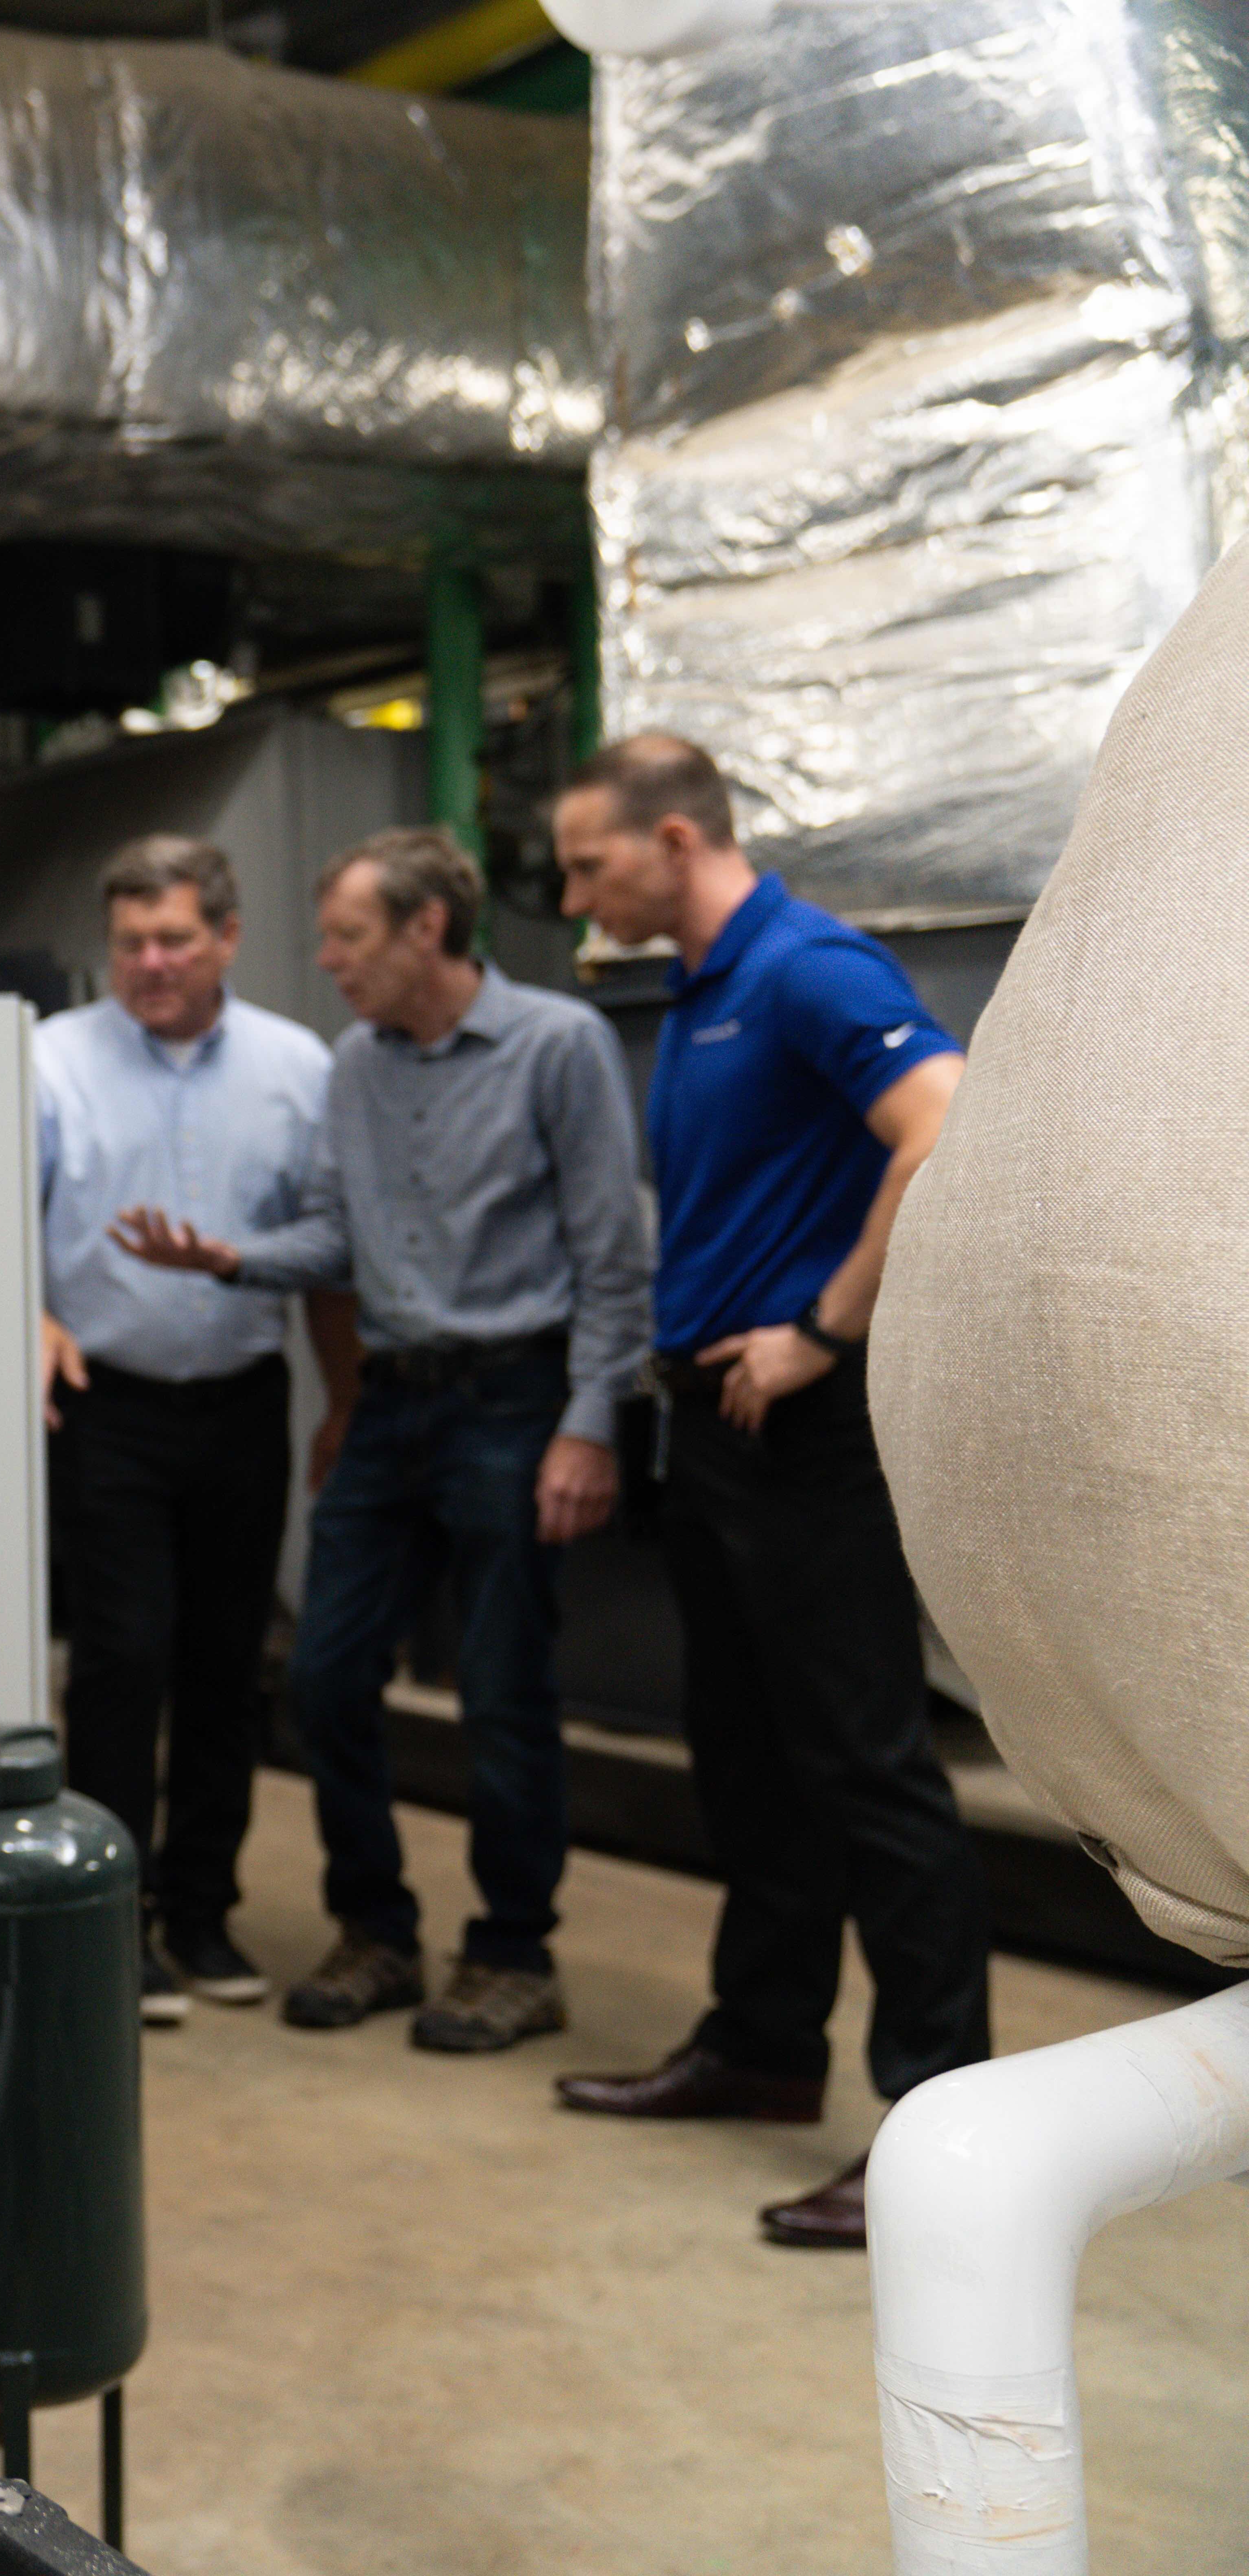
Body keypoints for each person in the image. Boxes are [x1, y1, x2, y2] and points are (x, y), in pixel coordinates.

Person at [542, 735, 991, 2251]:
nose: (574, 891)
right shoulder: (701, 990)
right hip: (720, 1434)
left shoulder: (806, 968)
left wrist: (827, 1324)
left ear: (678, 837)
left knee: (870, 1769)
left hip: (806, 1429)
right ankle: (762, 2047)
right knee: (750, 1761)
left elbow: (944, 1120)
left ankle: (939, 2134)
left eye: (592, 862)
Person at [115, 828, 649, 2053]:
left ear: (426, 930)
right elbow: (338, 1241)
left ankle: (515, 1952)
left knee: (506, 1693)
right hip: (395, 1404)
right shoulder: (355, 1065)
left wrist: (589, 1425)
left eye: (350, 938)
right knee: (325, 1676)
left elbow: (614, 1263)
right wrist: (232, 1258)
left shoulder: (557, 1048)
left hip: (516, 1403)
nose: (329, 961)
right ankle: (381, 1931)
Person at [34, 835, 361, 2028]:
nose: (152, 964)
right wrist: (33, 1318)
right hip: (106, 1404)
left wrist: (346, 1399)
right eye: (130, 944)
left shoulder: (297, 1066)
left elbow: (331, 1251)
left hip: (242, 1404)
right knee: (125, 1661)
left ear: (225, 936)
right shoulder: (48, 1060)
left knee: (229, 1664)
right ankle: (115, 1930)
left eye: (174, 940)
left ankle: (204, 1910)